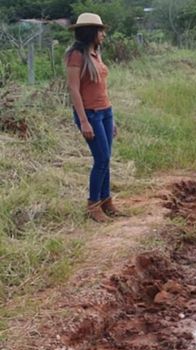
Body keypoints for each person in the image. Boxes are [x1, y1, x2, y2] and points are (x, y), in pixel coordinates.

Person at [65, 13, 120, 222]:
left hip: (105, 112)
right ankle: (93, 205)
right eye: (100, 31)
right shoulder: (76, 55)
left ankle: (106, 201)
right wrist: (84, 121)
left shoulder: (95, 53)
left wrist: (111, 118)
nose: (103, 34)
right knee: (101, 159)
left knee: (106, 160)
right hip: (90, 114)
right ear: (91, 32)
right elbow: (73, 89)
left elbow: (101, 87)